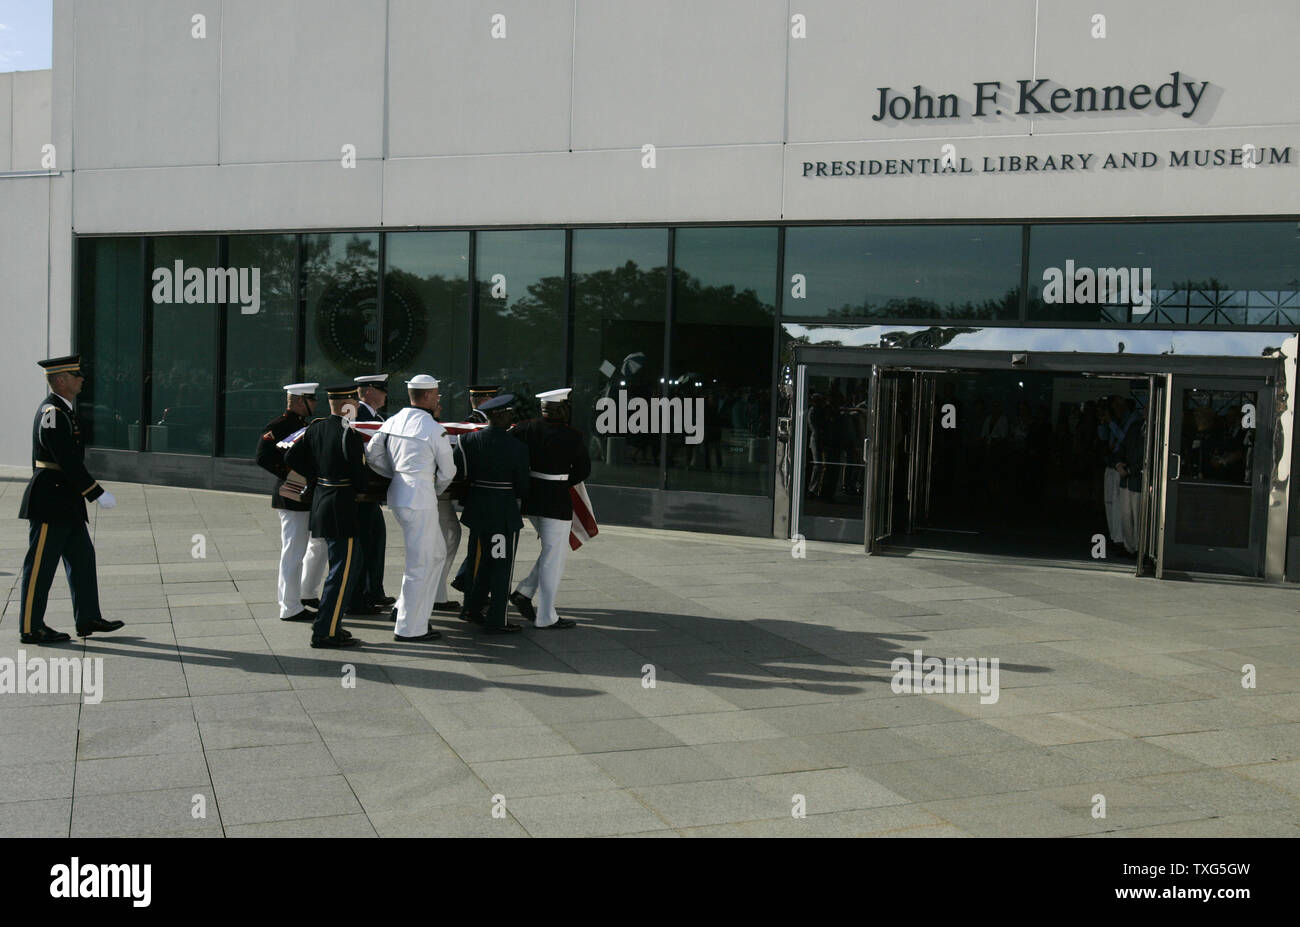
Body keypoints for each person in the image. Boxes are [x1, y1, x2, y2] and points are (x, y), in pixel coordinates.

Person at [17, 355, 126, 644]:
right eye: (76, 375)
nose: (81, 380)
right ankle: (30, 627)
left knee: (82, 560)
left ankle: (88, 617)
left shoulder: (64, 411)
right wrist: (95, 492)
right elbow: (65, 458)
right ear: (61, 380)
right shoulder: (52, 412)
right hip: (51, 499)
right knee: (40, 566)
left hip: (65, 500)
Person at [365, 375, 456, 642]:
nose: (438, 399)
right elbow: (448, 471)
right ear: (427, 396)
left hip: (399, 494)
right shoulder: (432, 428)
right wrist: (434, 489)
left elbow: (373, 455)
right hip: (420, 498)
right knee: (420, 564)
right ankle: (409, 628)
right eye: (437, 395)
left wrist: (395, 473)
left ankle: (409, 610)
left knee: (437, 554)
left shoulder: (392, 421)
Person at [285, 385, 369, 648]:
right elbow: (360, 479)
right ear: (347, 404)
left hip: (323, 499)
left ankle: (329, 624)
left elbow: (291, 455)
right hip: (341, 505)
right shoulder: (349, 434)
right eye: (354, 402)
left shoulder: (316, 427)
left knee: (342, 568)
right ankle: (326, 631)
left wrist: (318, 475)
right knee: (342, 572)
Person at [509, 388, 591, 630]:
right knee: (554, 557)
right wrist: (563, 480)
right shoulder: (572, 435)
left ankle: (524, 592)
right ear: (561, 408)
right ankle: (546, 616)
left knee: (551, 552)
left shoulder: (524, 429)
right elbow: (583, 470)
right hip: (556, 500)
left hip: (531, 498)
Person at [458, 394, 530, 634]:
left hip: (477, 510)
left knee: (478, 561)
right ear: (500, 415)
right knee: (501, 565)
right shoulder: (517, 447)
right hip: (502, 513)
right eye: (509, 413)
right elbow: (522, 486)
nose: (512, 417)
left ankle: (471, 607)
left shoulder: (468, 440)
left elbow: (461, 474)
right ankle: (498, 617)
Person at [256, 382, 327, 623]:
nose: (316, 403)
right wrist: (292, 475)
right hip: (291, 493)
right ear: (299, 401)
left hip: (304, 494)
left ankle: (302, 595)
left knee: (305, 548)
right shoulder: (279, 425)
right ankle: (289, 606)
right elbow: (263, 457)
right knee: (293, 551)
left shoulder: (301, 425)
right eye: (312, 399)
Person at [348, 373, 394, 615]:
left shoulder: (377, 417)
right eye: (381, 389)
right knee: (364, 545)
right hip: (361, 494)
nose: (386, 394)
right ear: (366, 392)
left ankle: (373, 590)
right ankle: (359, 598)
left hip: (371, 494)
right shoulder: (357, 416)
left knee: (376, 541)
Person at [448, 386, 500, 595]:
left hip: (480, 492)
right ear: (482, 401)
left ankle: (466, 579)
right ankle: (468, 581)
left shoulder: (476, 422)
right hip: (480, 491)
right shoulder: (473, 424)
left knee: (484, 542)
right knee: (481, 543)